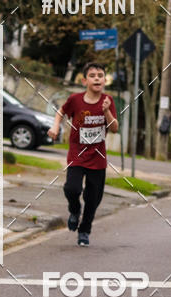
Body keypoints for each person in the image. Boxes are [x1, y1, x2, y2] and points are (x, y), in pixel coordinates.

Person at [47, 62, 118, 247]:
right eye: (93, 75)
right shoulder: (75, 99)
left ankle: (84, 231)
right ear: (85, 80)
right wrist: (55, 126)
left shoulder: (108, 101)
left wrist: (106, 112)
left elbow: (115, 128)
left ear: (104, 80)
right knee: (72, 189)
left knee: (93, 199)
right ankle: (74, 209)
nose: (97, 78)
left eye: (100, 75)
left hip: (98, 158)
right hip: (77, 154)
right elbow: (61, 112)